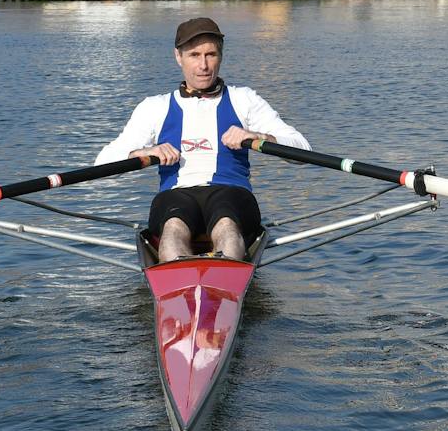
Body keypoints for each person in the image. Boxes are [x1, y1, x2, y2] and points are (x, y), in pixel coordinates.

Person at [96, 16, 309, 263]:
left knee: (227, 226)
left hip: (231, 192)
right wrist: (143, 152)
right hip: (177, 195)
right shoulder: (155, 107)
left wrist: (258, 136)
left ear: (221, 56)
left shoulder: (245, 100)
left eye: (211, 55)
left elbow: (301, 149)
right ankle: (181, 285)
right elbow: (102, 163)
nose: (204, 65)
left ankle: (222, 286)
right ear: (179, 57)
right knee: (173, 230)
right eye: (194, 55)